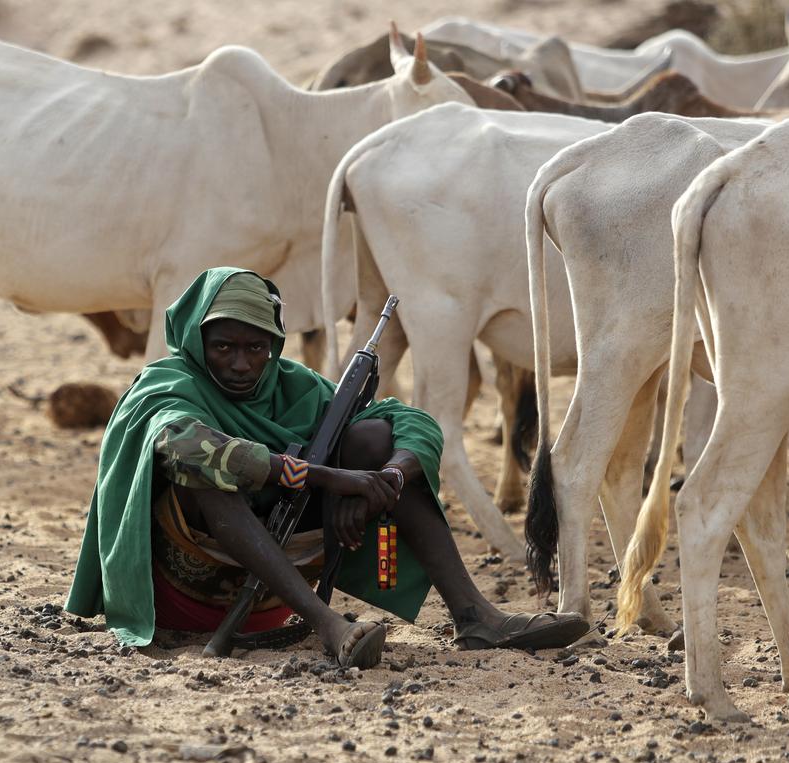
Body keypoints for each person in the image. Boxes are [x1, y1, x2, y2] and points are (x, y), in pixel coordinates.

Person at [66, 267, 587, 668]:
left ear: (275, 345)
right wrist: (327, 478)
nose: (242, 364)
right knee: (209, 475)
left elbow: (412, 424)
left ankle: (476, 617)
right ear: (196, 341)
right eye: (223, 347)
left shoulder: (295, 385)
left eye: (256, 348)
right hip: (177, 596)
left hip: (270, 598)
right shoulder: (167, 383)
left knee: (372, 436)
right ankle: (328, 624)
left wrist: (384, 480)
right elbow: (184, 445)